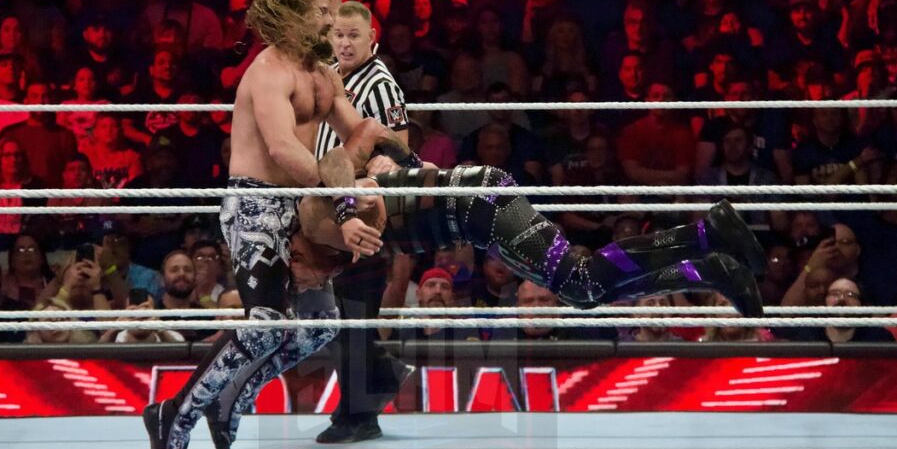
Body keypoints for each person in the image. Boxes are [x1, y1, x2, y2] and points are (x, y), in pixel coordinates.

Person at [142, 0, 376, 449]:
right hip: (257, 205)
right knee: (267, 322)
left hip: (303, 202)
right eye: (322, 11)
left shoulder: (320, 73)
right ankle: (173, 416)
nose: (331, 24)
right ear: (293, 12)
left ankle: (232, 394)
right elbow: (281, 149)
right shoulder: (266, 73)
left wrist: (393, 160)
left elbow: (358, 128)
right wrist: (340, 196)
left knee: (319, 326)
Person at [294, 118, 766, 318]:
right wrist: (404, 160)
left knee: (580, 282)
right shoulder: (335, 257)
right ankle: (707, 264)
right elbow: (376, 136)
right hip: (476, 215)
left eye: (295, 275)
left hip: (477, 204)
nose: (303, 282)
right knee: (583, 292)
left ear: (293, 252)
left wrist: (348, 206)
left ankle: (708, 237)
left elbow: (336, 158)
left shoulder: (314, 220)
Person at [313, 0, 414, 445]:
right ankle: (383, 375)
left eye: (354, 35)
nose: (345, 42)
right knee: (343, 311)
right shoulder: (331, 74)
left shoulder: (379, 81)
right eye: (338, 34)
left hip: (360, 210)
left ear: (373, 37)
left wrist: (364, 187)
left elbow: (399, 146)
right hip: (331, 206)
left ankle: (358, 415)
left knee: (352, 309)